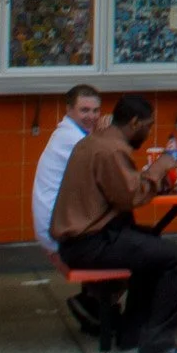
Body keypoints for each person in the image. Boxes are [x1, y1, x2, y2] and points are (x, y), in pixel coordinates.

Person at [52, 95, 177, 353]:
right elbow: (131, 196)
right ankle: (158, 342)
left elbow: (121, 189)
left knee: (153, 246)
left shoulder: (96, 142)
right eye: (147, 125)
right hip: (91, 242)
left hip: (83, 239)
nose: (148, 131)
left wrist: (149, 177)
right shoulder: (111, 150)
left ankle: (134, 333)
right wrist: (161, 166)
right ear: (133, 122)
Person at [31, 84, 112, 337]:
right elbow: (108, 177)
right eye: (84, 110)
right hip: (60, 233)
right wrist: (107, 136)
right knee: (138, 247)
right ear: (69, 111)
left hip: (60, 224)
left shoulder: (71, 135)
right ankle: (97, 305)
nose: (91, 116)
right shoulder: (73, 139)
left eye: (96, 110)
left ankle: (93, 302)